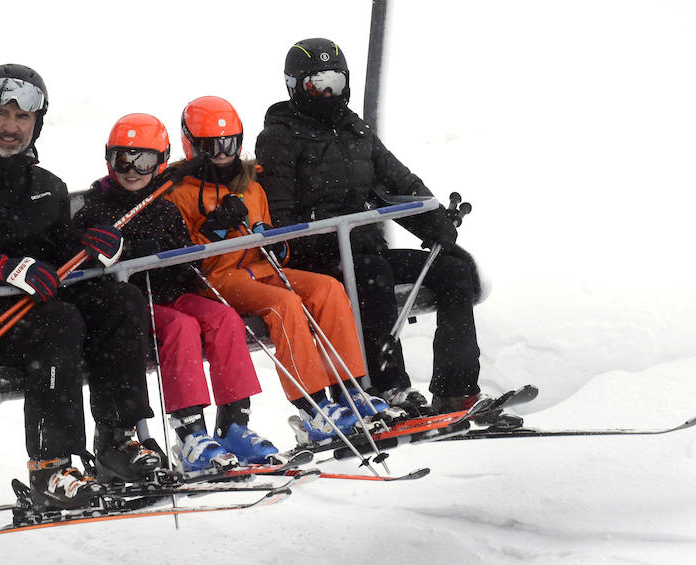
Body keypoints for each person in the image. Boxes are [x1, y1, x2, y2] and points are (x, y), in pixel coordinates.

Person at [0, 64, 162, 508]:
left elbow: (60, 249)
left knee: (120, 299)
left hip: (34, 307)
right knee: (58, 320)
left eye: (22, 118)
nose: (11, 127)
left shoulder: (46, 186)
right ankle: (50, 468)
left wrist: (94, 242)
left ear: (36, 122)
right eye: (1, 114)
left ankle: (116, 441)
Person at [255, 38, 493, 416]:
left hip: (366, 248)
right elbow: (279, 216)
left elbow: (399, 183)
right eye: (317, 84)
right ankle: (387, 387)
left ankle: (457, 389)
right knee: (372, 273)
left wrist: (433, 223)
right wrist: (327, 231)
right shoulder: (279, 139)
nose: (328, 93)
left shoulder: (356, 131)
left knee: (453, 270)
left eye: (335, 81)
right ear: (295, 86)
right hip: (316, 260)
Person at [165, 96, 399, 443]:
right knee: (283, 304)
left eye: (229, 142)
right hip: (219, 279)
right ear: (191, 144)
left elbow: (274, 235)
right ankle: (313, 405)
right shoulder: (179, 194)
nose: (221, 152)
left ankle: (350, 389)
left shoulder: (250, 185)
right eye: (209, 146)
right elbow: (184, 259)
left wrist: (278, 245)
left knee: (327, 289)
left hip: (259, 269)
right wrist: (215, 227)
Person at [72, 113, 279, 471]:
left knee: (224, 318)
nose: (132, 169)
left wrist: (182, 250)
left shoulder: (165, 207)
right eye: (123, 158)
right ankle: (190, 434)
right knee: (182, 327)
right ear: (108, 159)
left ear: (162, 160)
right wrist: (127, 252)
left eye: (145, 159)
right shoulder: (96, 209)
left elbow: (190, 268)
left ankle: (234, 424)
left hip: (171, 293)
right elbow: (84, 271)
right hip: (134, 305)